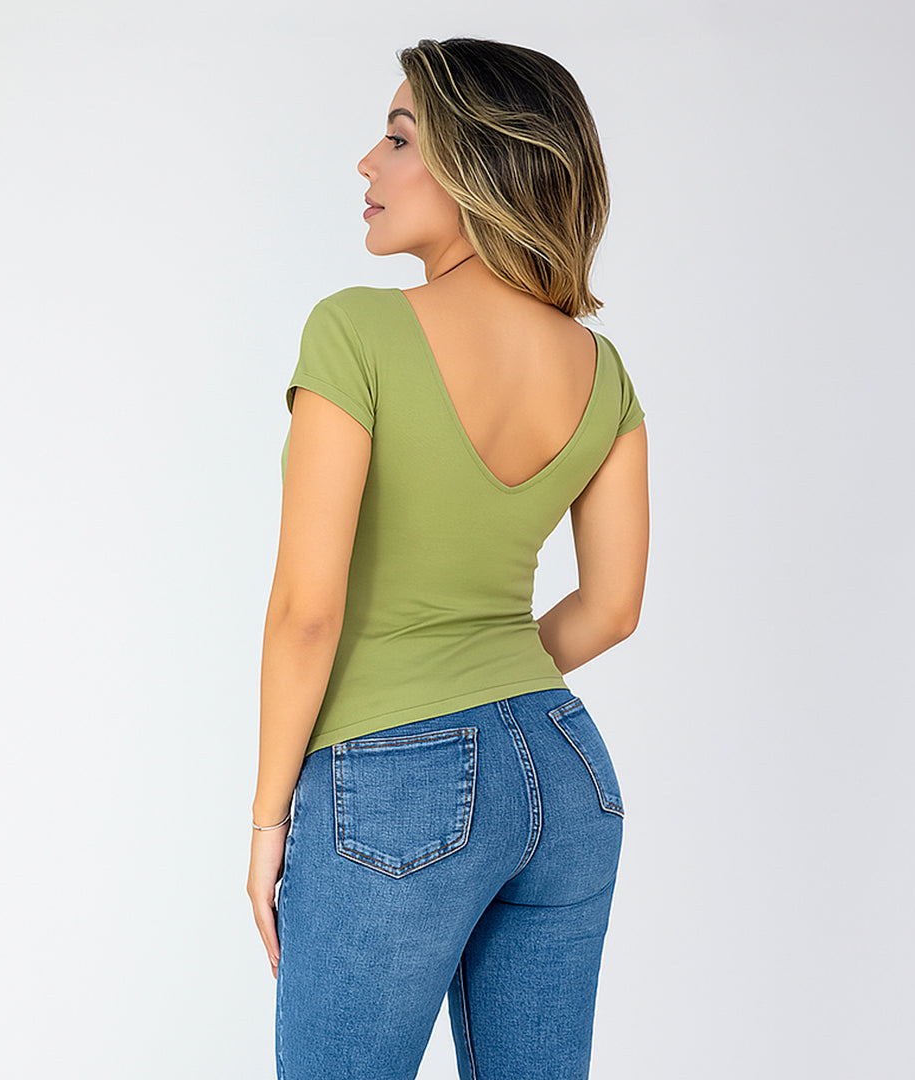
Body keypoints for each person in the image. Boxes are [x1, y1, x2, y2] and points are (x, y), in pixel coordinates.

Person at [247, 36, 650, 1080]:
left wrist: (268, 817)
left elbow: (305, 612)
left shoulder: (357, 332)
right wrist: (488, 672)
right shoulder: (601, 371)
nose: (367, 164)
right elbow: (612, 608)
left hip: (393, 784)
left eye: (398, 138)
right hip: (566, 774)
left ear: (478, 162)